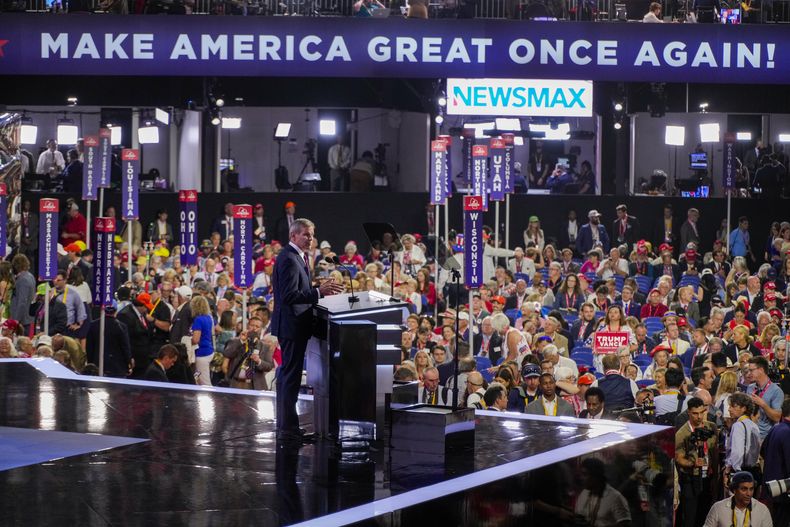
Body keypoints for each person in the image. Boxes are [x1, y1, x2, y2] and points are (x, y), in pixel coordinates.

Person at [272, 218, 343, 443]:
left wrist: (316, 288)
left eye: (312, 234)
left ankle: (287, 426)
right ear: (293, 236)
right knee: (290, 377)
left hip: (295, 325)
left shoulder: (297, 256)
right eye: (306, 234)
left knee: (289, 376)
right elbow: (288, 296)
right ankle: (288, 429)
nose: (310, 238)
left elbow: (296, 290)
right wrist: (318, 292)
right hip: (292, 326)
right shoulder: (289, 259)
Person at [676, 396, 719, 527]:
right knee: (690, 516)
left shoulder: (711, 427)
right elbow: (679, 458)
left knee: (705, 514)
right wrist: (692, 464)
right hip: (690, 479)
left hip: (708, 477)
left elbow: (715, 451)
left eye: (701, 412)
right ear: (688, 412)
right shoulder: (682, 433)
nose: (699, 416)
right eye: (695, 413)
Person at [573, 457, 631, 527]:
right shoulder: (584, 493)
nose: (581, 478)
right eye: (581, 474)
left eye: (585, 474)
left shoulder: (615, 497)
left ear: (596, 476)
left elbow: (625, 525)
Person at [703, 471, 773, 527]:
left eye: (751, 489)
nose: (749, 494)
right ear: (734, 490)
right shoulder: (718, 508)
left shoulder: (762, 510)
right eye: (744, 489)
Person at [223, 317, 275, 390]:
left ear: (261, 329)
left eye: (257, 326)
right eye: (252, 325)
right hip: (235, 383)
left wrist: (258, 361)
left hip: (255, 386)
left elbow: (269, 366)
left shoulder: (265, 347)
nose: (254, 328)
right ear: (248, 326)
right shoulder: (235, 341)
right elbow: (227, 353)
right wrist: (241, 341)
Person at [761, 398, 790, 527]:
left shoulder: (776, 428)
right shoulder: (787, 431)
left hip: (771, 487)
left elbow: (763, 451)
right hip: (783, 490)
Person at [86, 305, 132, 378]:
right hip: (117, 368)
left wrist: (90, 363)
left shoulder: (93, 325)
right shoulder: (121, 327)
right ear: (115, 311)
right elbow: (125, 347)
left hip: (98, 365)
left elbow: (89, 348)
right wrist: (128, 363)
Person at [745, 355, 784, 439]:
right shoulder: (750, 388)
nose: (749, 373)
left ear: (761, 370)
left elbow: (777, 418)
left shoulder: (776, 391)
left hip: (765, 437)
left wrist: (763, 405)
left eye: (751, 370)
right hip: (749, 433)